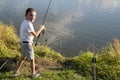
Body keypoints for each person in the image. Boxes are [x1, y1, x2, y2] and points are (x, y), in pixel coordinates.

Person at [14, 8, 45, 78]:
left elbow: (30, 33)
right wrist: (41, 28)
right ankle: (33, 74)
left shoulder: (25, 22)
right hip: (27, 44)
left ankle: (16, 71)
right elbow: (36, 34)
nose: (33, 17)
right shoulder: (28, 24)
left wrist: (36, 33)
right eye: (31, 15)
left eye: (34, 16)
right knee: (32, 59)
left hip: (23, 43)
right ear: (26, 15)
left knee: (22, 57)